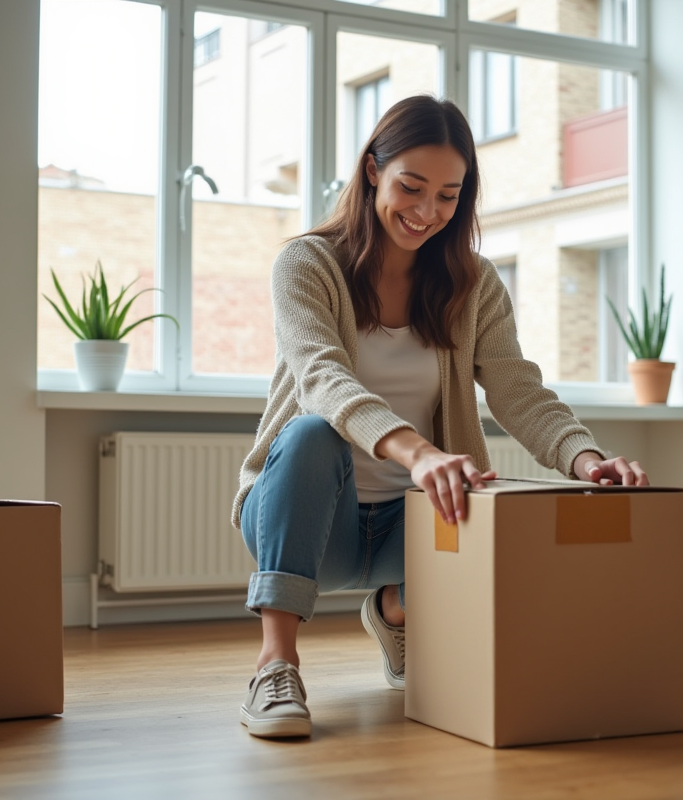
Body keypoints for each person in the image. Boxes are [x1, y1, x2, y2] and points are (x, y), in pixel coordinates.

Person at [231, 95, 648, 740]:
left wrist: (587, 460)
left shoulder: (473, 285)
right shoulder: (306, 265)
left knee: (489, 495)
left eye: (449, 196)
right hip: (310, 521)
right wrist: (417, 452)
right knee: (311, 433)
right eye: (411, 187)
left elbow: (517, 389)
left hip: (414, 522)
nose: (427, 212)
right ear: (373, 170)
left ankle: (396, 608)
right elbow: (322, 379)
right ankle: (275, 664)